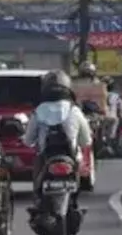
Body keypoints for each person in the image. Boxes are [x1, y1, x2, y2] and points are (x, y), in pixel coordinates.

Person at [23, 70, 94, 199]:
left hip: (45, 157)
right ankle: (74, 203)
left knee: (38, 174)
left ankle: (38, 199)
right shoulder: (75, 110)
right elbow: (86, 141)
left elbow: (28, 140)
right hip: (72, 157)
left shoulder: (39, 111)